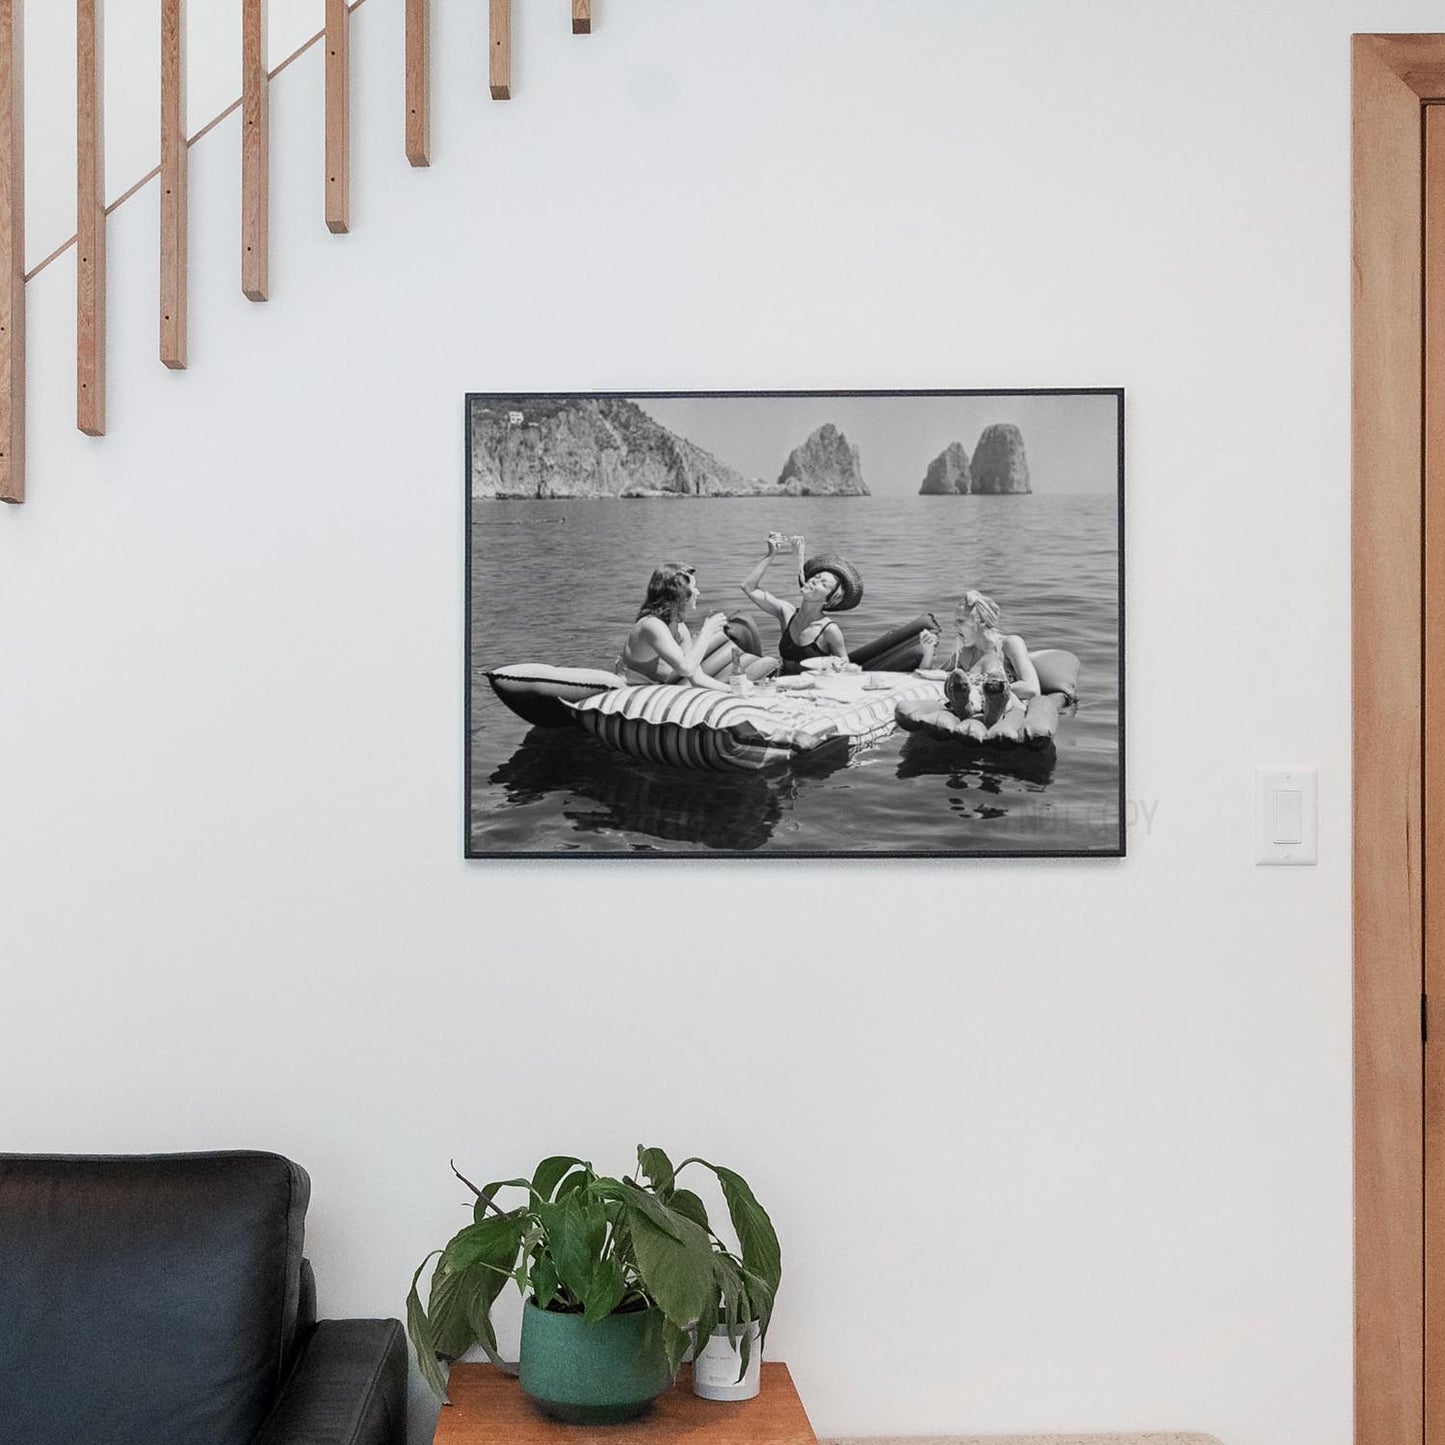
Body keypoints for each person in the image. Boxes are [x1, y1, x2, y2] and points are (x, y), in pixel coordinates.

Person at [739, 535, 864, 674]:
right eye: (816, 576)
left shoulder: (829, 630)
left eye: (823, 584)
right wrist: (771, 554)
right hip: (782, 686)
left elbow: (845, 668)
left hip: (813, 689)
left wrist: (839, 668)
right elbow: (748, 587)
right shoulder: (786, 613)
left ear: (828, 600)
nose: (815, 581)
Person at [616, 562, 735, 692]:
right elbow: (685, 668)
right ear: (680, 593)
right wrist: (707, 630)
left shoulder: (679, 628)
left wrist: (736, 691)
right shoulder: (652, 625)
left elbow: (697, 678)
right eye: (694, 587)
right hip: (628, 693)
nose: (698, 592)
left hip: (652, 691)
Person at [919, 589, 1042, 715]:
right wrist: (928, 652)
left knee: (996, 699)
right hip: (974, 708)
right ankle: (967, 709)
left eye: (961, 621)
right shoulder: (965, 653)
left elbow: (1032, 689)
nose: (954, 625)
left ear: (982, 621)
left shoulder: (1008, 645)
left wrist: (979, 690)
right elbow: (930, 677)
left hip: (1007, 708)